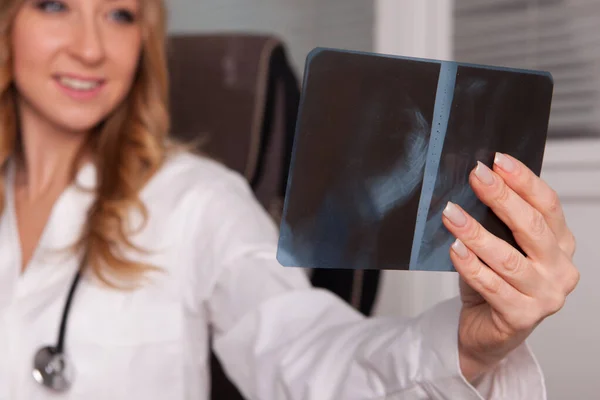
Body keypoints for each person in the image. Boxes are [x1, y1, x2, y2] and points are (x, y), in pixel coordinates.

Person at [0, 0, 579, 399]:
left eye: (120, 14)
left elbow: (304, 350)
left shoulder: (194, 201)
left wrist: (468, 347)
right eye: (54, 5)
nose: (92, 48)